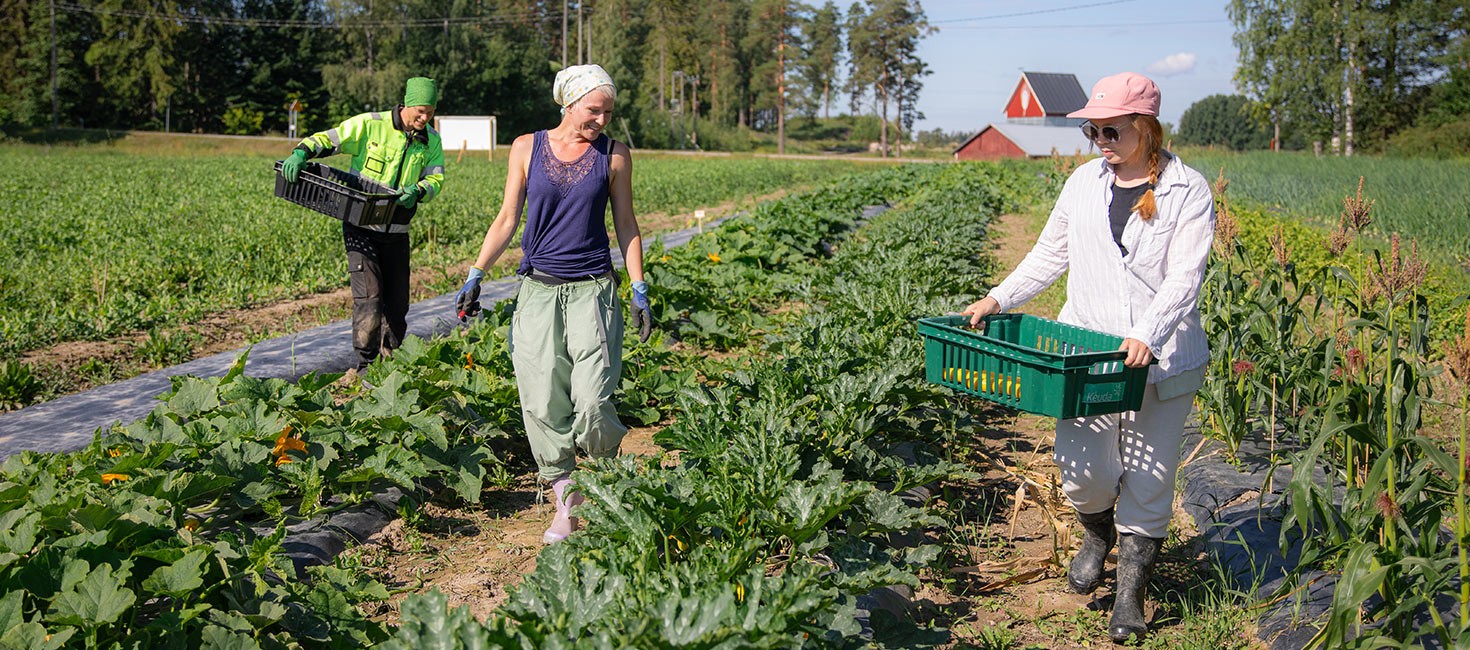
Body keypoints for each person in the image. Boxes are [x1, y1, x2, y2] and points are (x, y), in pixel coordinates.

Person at [961, 72, 1214, 644]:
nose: (1099, 138)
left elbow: (1184, 276)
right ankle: (1097, 533)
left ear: (1145, 128)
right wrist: (998, 297)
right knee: (1083, 474)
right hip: (1087, 357)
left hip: (1161, 358)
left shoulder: (1188, 190)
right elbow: (1050, 252)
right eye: (1091, 128)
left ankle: (1130, 595)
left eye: (1111, 129)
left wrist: (1148, 331)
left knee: (1150, 478)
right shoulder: (1082, 183)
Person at [454, 64, 651, 545]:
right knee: (541, 401)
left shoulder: (615, 156)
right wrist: (476, 273)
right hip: (538, 293)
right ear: (568, 103)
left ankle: (606, 479)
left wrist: (639, 285)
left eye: (608, 112)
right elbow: (507, 218)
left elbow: (626, 223)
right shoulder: (526, 147)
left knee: (593, 400)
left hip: (592, 291)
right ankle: (566, 503)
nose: (601, 120)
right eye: (593, 110)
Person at [280, 77, 446, 372]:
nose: (424, 118)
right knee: (370, 300)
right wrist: (301, 151)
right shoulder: (371, 125)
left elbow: (436, 179)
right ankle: (364, 366)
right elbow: (331, 138)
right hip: (361, 230)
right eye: (420, 111)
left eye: (430, 112)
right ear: (407, 104)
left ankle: (390, 364)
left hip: (397, 233)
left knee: (397, 307)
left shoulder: (430, 141)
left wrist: (419, 191)